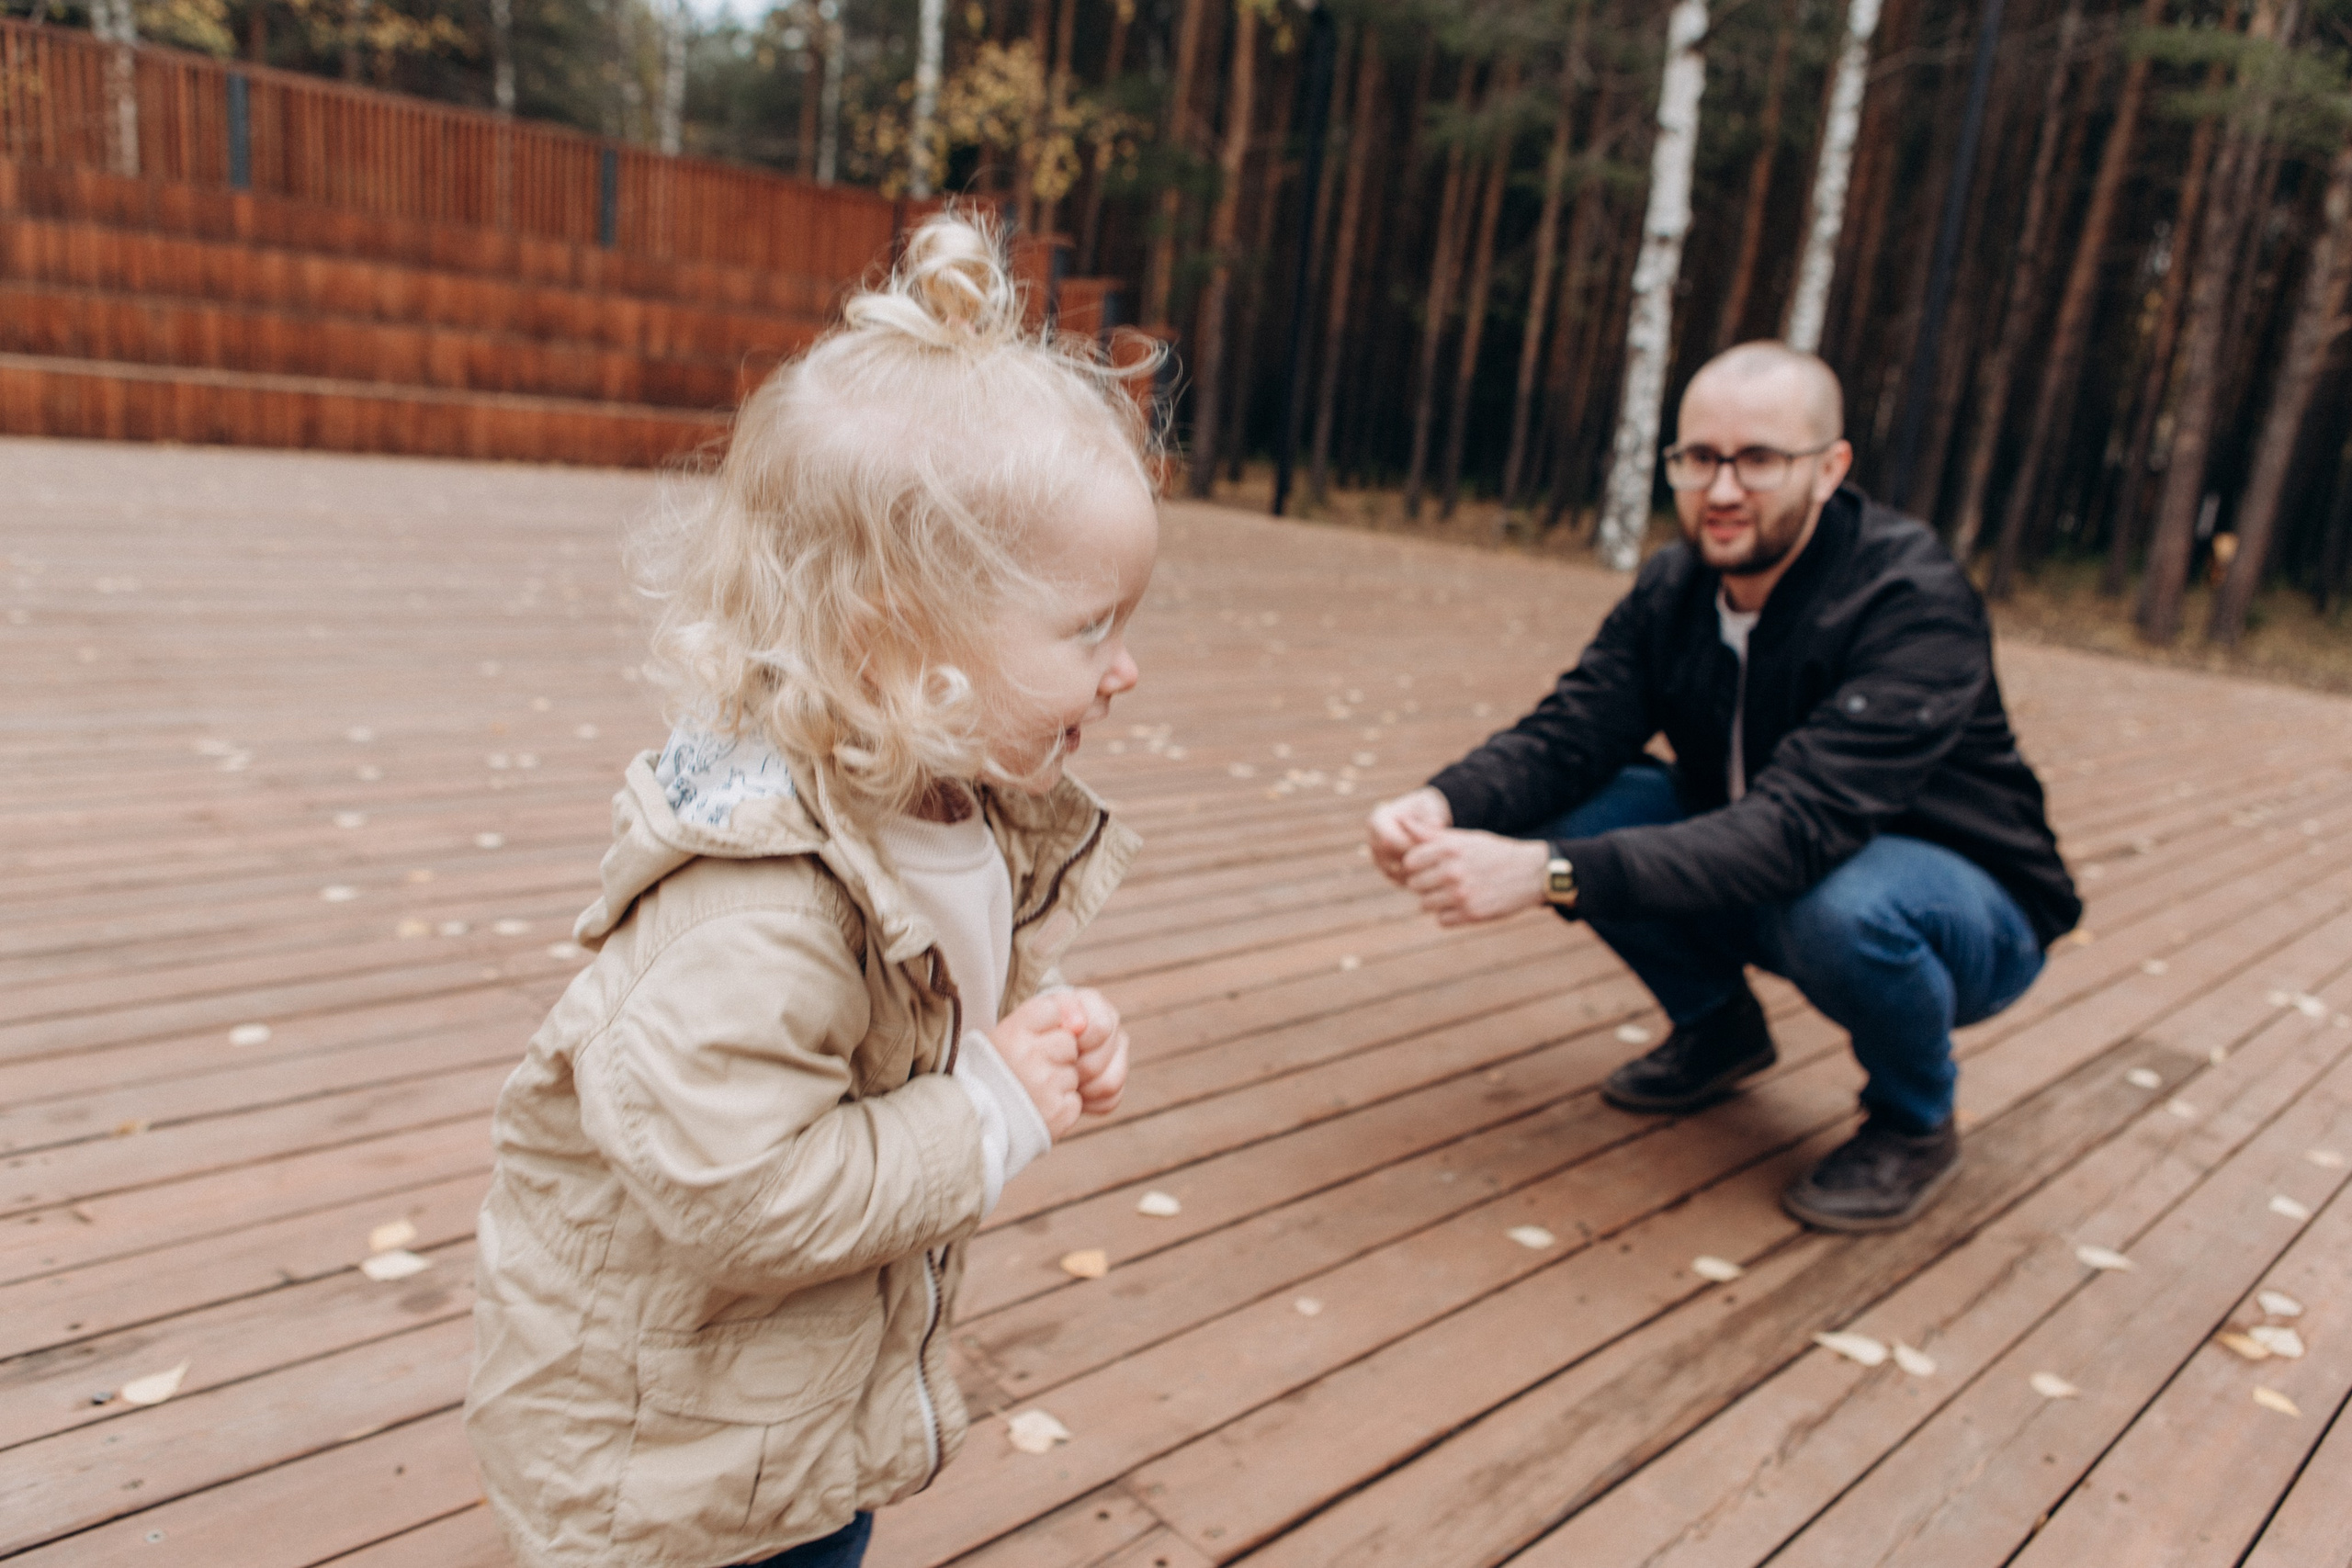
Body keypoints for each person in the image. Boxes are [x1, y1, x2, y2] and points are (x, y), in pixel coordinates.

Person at [466, 213, 1160, 1568]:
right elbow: (746, 1196)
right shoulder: (754, 915)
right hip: (667, 1456)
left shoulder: (951, 798)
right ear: (905, 642)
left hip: (789, 1407)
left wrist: (1042, 1019)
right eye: (1090, 628)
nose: (1123, 668)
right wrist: (1000, 1104)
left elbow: (931, 991)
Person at [1366, 341, 2078, 1234]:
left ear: (1829, 470)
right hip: (1772, 864)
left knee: (1839, 907)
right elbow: (1572, 732)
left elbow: (1795, 831)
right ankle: (1718, 1029)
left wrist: (1547, 871)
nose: (1723, 490)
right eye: (1699, 458)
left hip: (1960, 909)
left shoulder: (1910, 597)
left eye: (1759, 460)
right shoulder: (1677, 584)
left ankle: (1912, 1120)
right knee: (1581, 804)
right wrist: (1441, 802)